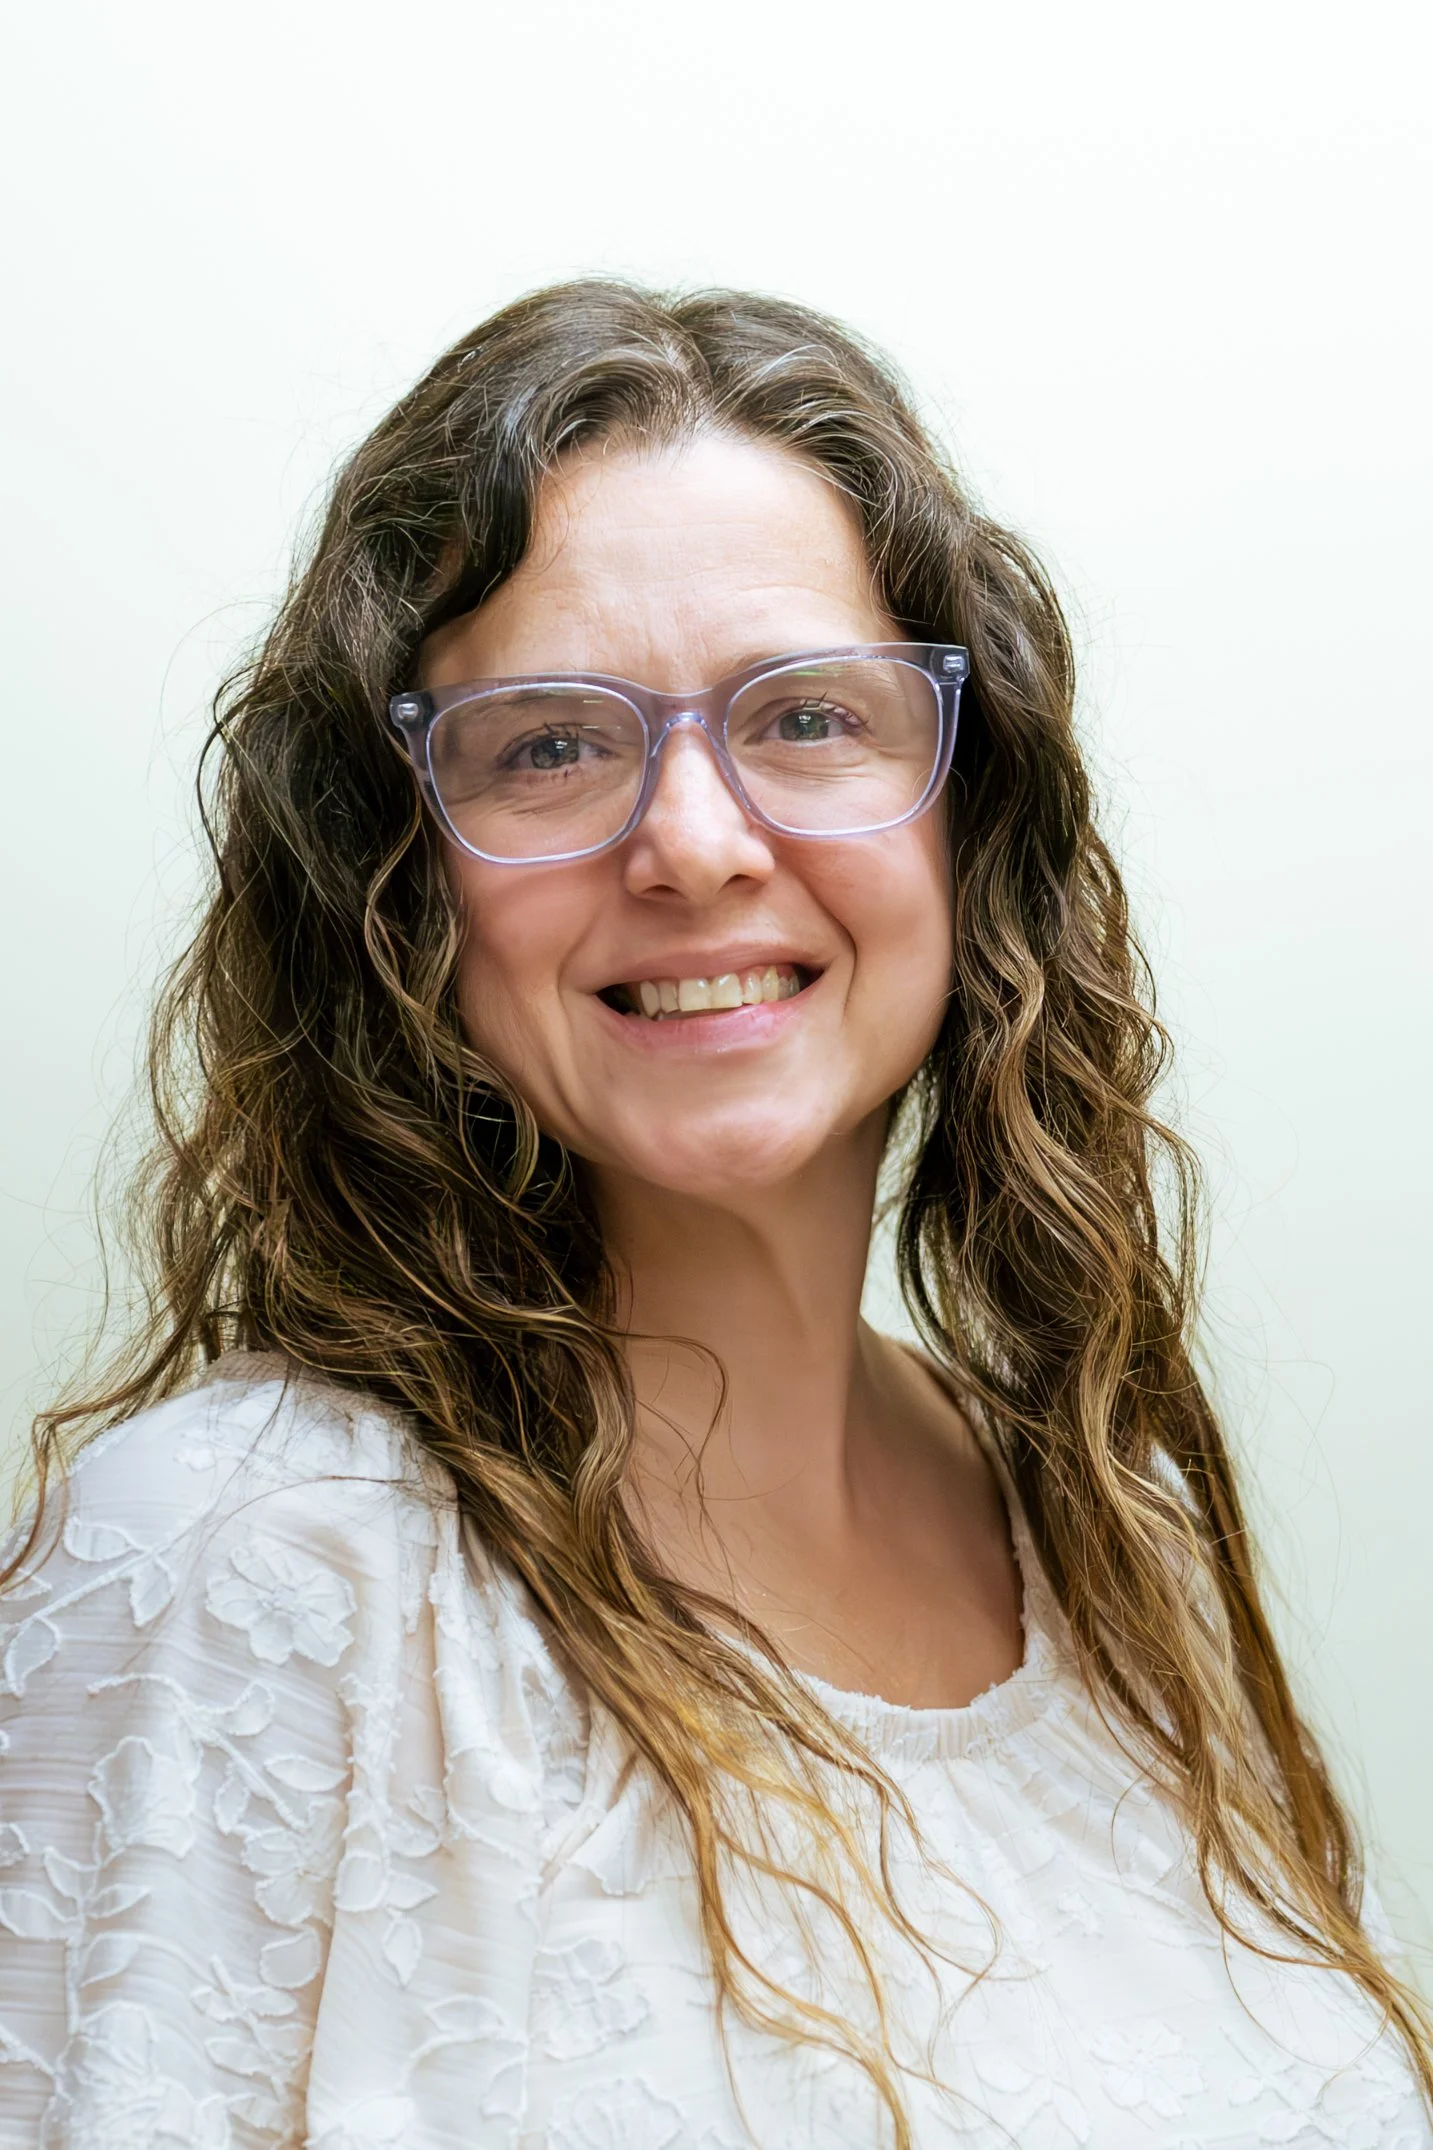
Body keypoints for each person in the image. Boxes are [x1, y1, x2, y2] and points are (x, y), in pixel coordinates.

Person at [0, 281, 1427, 2150]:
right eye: (551, 746)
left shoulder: (1113, 1538)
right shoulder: (254, 1563)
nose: (690, 838)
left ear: (966, 816)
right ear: (400, 888)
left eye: (808, 716)